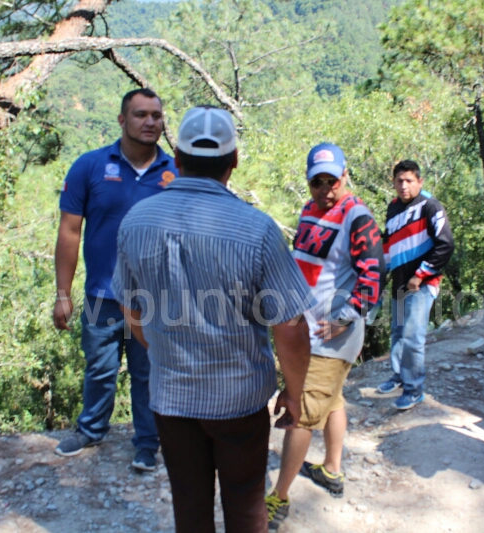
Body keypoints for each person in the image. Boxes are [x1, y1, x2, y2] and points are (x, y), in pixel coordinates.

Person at [112, 105, 312, 533]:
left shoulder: (136, 221)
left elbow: (132, 310)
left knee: (190, 507)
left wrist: (165, 346)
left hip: (172, 398)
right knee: (244, 508)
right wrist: (294, 395)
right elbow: (290, 326)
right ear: (233, 160)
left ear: (177, 159)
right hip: (238, 401)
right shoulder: (255, 230)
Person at [53, 88, 178, 471]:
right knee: (100, 368)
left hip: (154, 299)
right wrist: (62, 293)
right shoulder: (90, 166)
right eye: (141, 115)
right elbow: (69, 232)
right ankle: (91, 429)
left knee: (148, 372)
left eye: (156, 115)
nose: (150, 122)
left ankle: (147, 443)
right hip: (102, 294)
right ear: (122, 120)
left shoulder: (174, 173)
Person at [265, 143, 386, 530]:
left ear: (344, 175)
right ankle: (332, 469)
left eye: (331, 180)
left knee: (301, 412)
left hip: (330, 334)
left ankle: (278, 497)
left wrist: (344, 319)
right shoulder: (309, 210)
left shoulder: (359, 218)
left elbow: (373, 279)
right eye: (317, 181)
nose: (325, 188)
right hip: (308, 328)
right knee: (331, 400)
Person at [376, 160, 454, 409]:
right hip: (399, 281)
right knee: (398, 332)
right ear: (393, 183)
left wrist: (421, 274)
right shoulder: (393, 209)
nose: (404, 185)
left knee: (412, 336)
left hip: (422, 283)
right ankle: (399, 376)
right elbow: (388, 244)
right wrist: (379, 275)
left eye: (409, 180)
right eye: (399, 180)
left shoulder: (430, 206)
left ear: (419, 181)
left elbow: (446, 244)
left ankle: (414, 389)